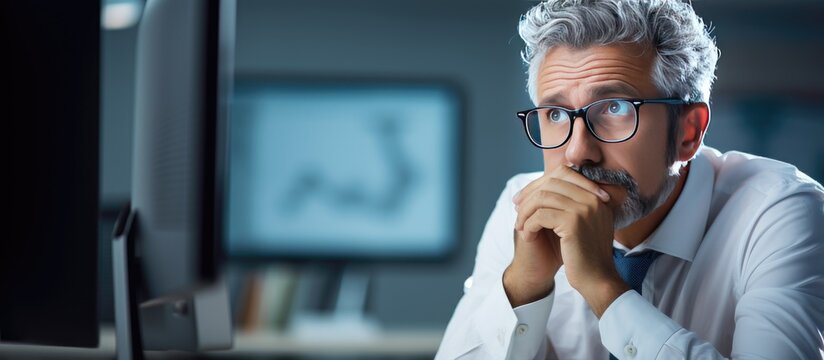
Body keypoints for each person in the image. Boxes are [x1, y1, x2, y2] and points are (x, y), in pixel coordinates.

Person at [435, 0, 824, 359]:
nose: (576, 152)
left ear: (688, 132)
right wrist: (523, 286)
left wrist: (604, 288)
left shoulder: (779, 209)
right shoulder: (520, 208)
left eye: (615, 108)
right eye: (555, 114)